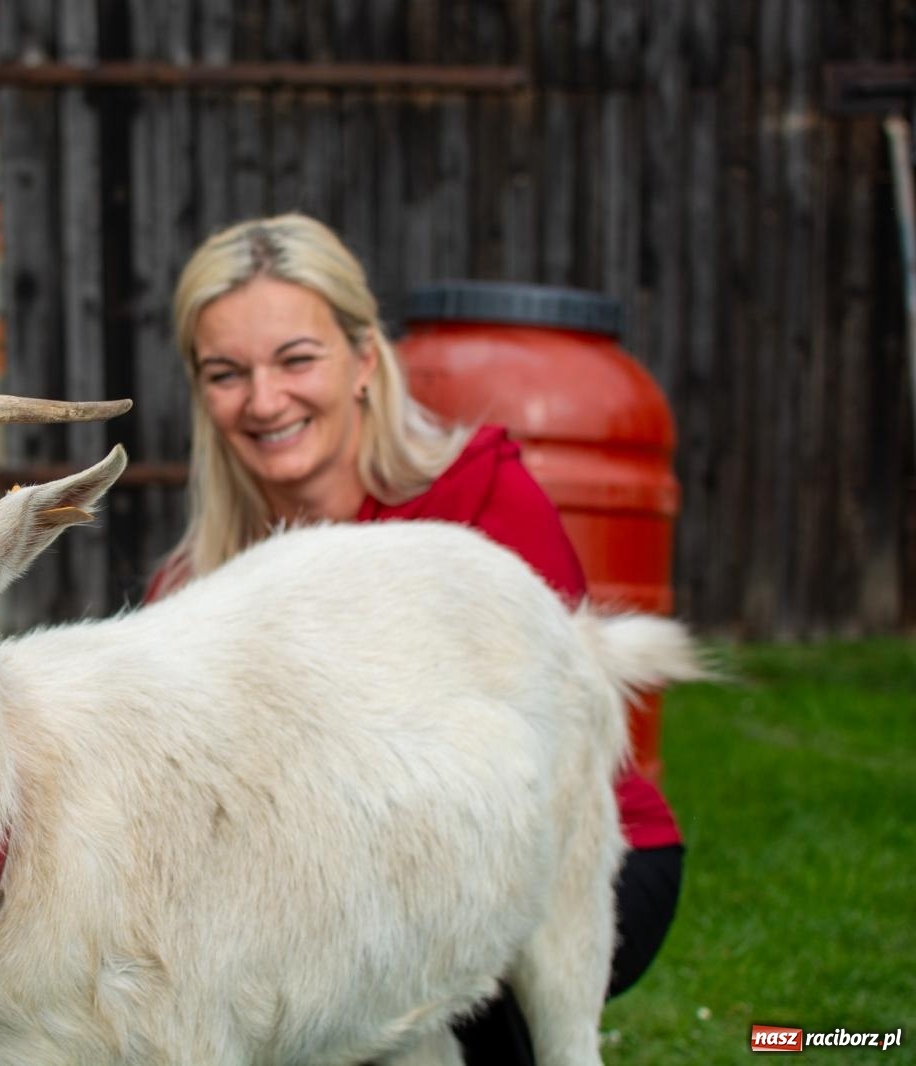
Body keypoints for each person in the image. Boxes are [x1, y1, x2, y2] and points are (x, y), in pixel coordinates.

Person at [144, 213, 683, 1064]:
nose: (264, 400)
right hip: (332, 906)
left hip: (560, 853)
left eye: (296, 359)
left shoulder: (479, 506)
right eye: (226, 373)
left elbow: (553, 754)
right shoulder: (193, 592)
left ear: (364, 360)